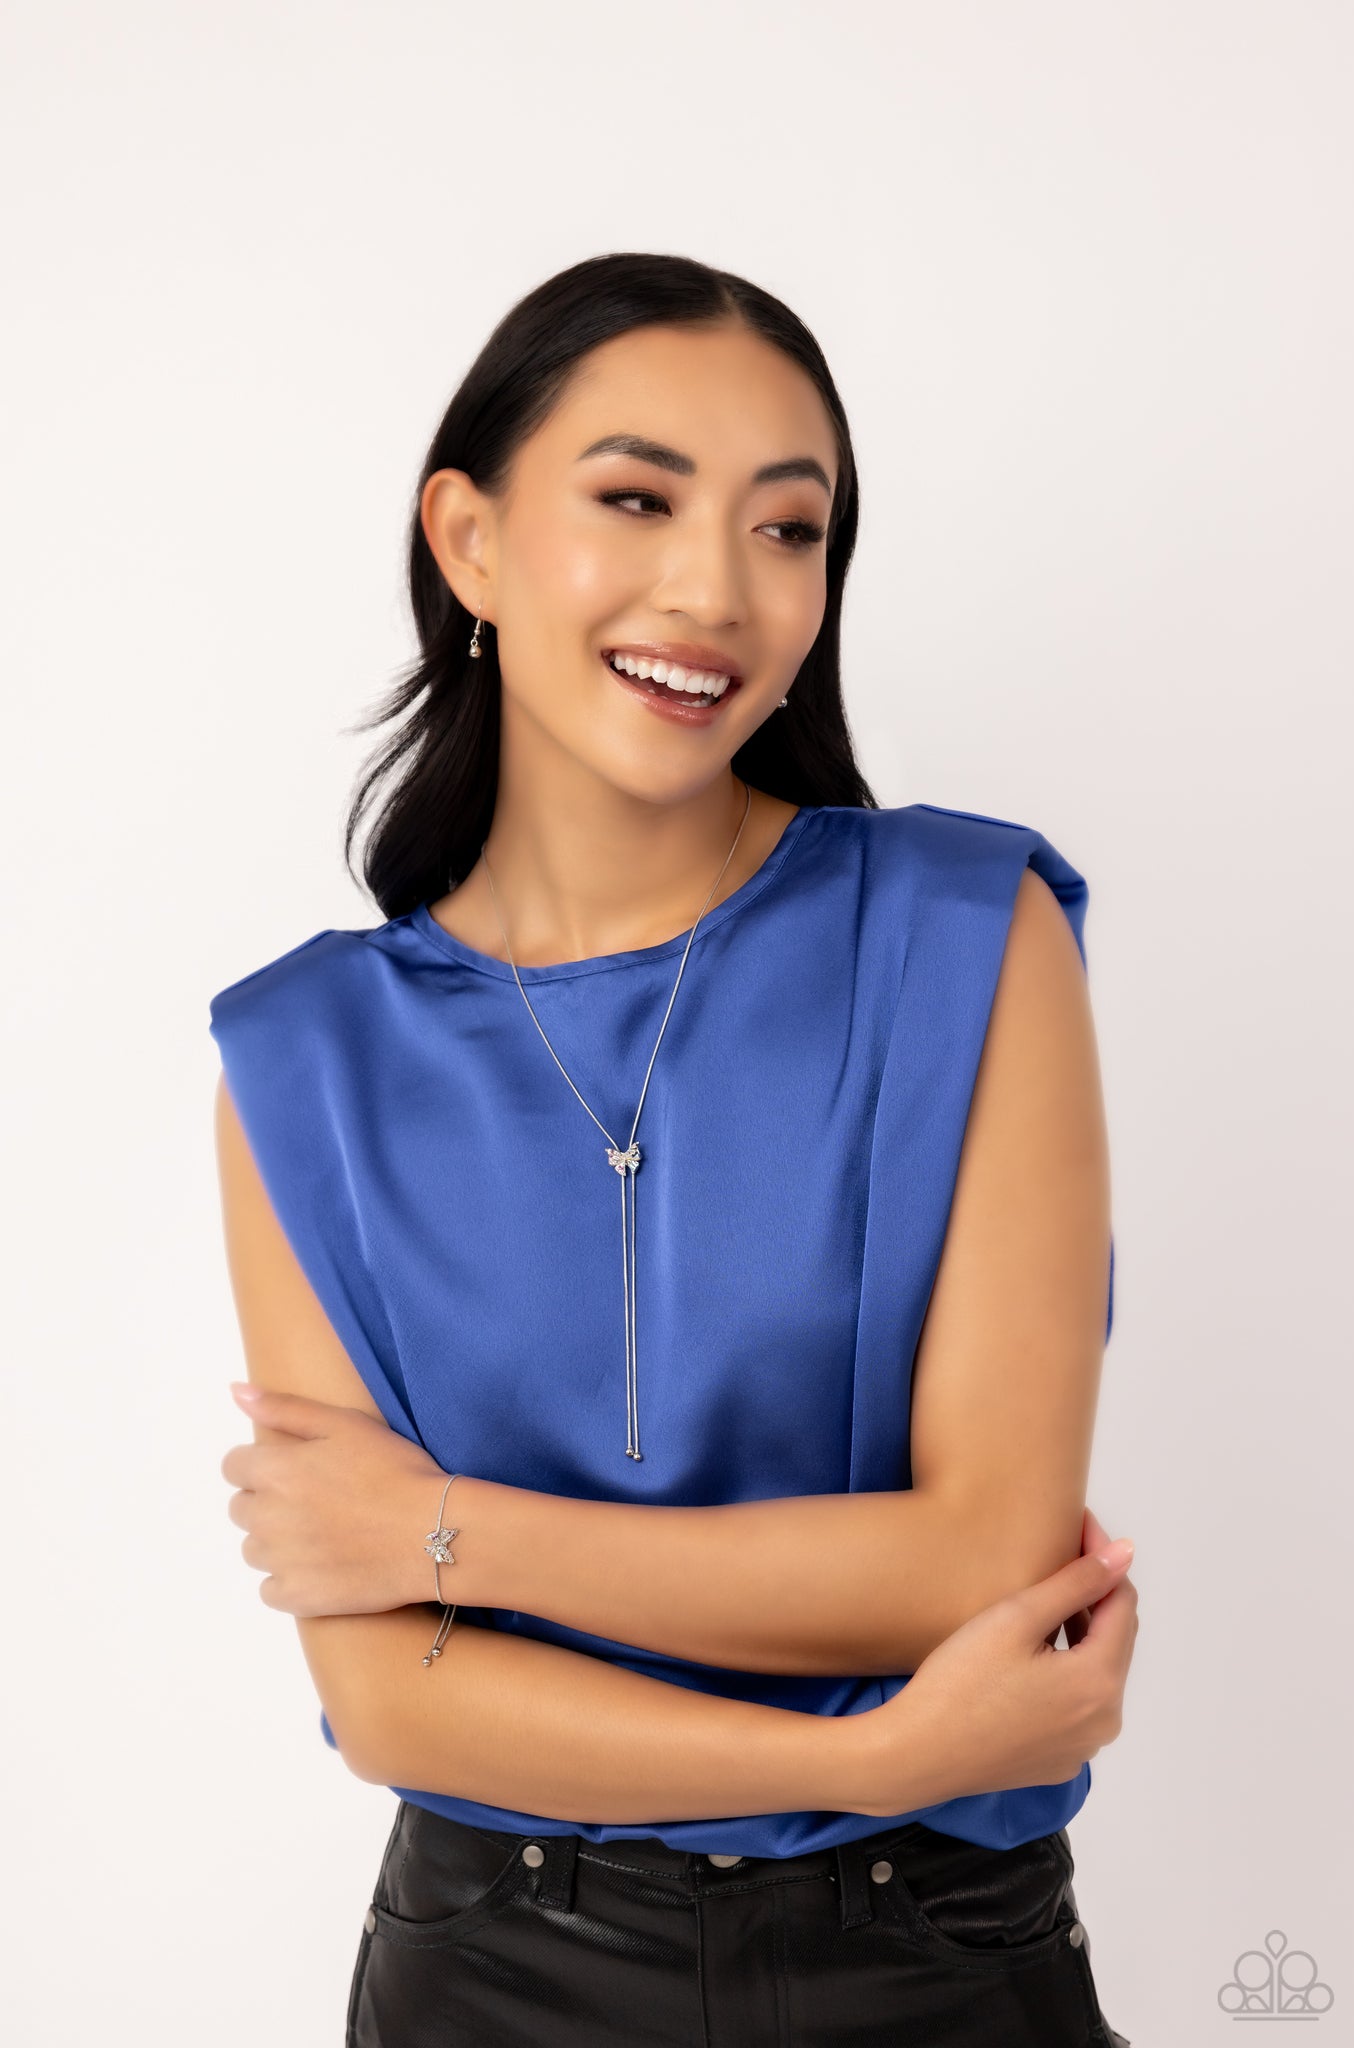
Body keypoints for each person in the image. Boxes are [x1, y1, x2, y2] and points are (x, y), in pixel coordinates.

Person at [211, 251, 1137, 2046]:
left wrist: (443, 1536)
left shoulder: (964, 931)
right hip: (490, 1966)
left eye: (786, 530)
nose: (714, 588)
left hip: (941, 1965)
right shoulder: (303, 1055)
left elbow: (979, 1559)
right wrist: (884, 1752)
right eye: (636, 499)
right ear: (470, 541)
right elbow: (396, 1701)